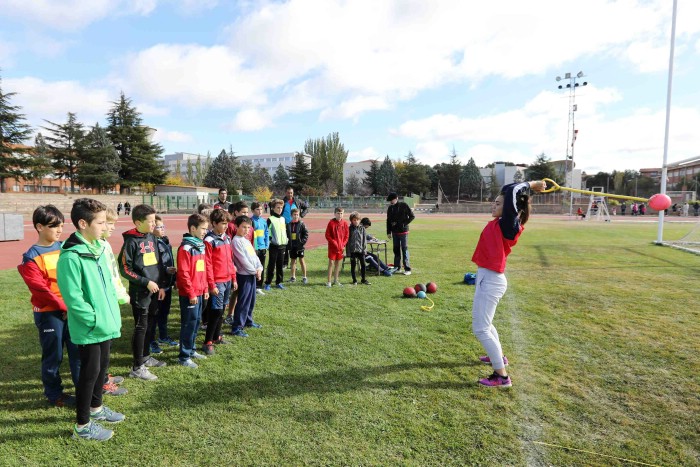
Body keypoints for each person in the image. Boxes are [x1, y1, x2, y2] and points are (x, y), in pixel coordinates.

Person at [57, 198, 125, 441]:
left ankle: (96, 409)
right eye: (100, 222)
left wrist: (110, 316)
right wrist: (95, 319)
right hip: (91, 327)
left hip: (105, 323)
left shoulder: (98, 248)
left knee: (101, 369)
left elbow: (107, 288)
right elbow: (74, 299)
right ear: (83, 223)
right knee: (89, 373)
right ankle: (82, 426)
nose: (105, 226)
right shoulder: (71, 257)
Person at [471, 181, 546, 388]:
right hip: (487, 277)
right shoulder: (502, 222)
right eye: (493, 202)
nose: (492, 206)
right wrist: (529, 188)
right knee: (486, 324)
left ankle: (501, 377)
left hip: (492, 280)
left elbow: (513, 191)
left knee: (480, 329)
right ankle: (499, 358)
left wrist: (530, 184)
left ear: (509, 208)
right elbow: (509, 189)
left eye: (497, 203)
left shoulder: (508, 224)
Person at [18, 205, 80, 408]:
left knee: (77, 351)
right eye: (54, 226)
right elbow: (41, 290)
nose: (60, 230)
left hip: (70, 309)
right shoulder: (31, 256)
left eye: (61, 226)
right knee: (54, 356)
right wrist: (64, 307)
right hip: (49, 313)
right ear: (39, 227)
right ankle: (55, 395)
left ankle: (84, 389)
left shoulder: (64, 247)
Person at [118, 204, 166, 381]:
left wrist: (160, 285)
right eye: (151, 221)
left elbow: (157, 264)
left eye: (155, 221)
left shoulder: (151, 238)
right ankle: (137, 367)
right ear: (138, 222)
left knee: (151, 324)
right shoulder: (130, 242)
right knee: (141, 326)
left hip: (155, 290)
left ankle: (146, 356)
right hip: (141, 292)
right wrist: (145, 282)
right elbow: (125, 268)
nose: (154, 224)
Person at [99, 208, 129, 397]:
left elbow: (113, 274)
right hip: (103, 303)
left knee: (108, 345)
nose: (113, 228)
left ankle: (103, 377)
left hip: (111, 300)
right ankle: (101, 383)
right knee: (101, 347)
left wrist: (120, 293)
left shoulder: (105, 244)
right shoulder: (97, 247)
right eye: (109, 224)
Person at [176, 214, 210, 368]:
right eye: (203, 229)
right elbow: (183, 274)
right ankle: (184, 356)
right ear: (193, 228)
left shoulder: (200, 246)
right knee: (189, 324)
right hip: (190, 294)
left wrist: (205, 289)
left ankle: (192, 349)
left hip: (200, 292)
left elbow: (202, 272)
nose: (205, 231)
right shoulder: (186, 248)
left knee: (196, 322)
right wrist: (191, 293)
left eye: (206, 228)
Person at [204, 209, 237, 354]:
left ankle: (217, 336)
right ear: (214, 223)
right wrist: (211, 284)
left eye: (227, 223)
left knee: (222, 310)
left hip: (228, 279)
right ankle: (208, 341)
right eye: (223, 224)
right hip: (217, 282)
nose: (225, 226)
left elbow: (230, 260)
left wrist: (233, 277)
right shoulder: (209, 240)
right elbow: (208, 264)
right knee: (215, 311)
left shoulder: (227, 238)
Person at [230, 215, 264, 338]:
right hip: (244, 276)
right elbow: (242, 260)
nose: (246, 230)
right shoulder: (236, 241)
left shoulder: (246, 240)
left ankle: (248, 321)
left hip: (252, 274)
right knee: (243, 302)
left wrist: (259, 268)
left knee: (251, 300)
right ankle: (237, 327)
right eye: (243, 227)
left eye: (248, 227)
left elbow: (254, 257)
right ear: (236, 227)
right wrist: (254, 271)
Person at [151, 215, 178, 352]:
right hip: (158, 286)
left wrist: (173, 279)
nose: (162, 229)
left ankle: (163, 336)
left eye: (163, 226)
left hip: (167, 284)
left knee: (164, 313)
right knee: (154, 314)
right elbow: (155, 267)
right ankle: (151, 341)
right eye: (159, 226)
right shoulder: (152, 243)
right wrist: (161, 284)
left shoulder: (164, 241)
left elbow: (168, 261)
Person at [386, 193, 415, 275]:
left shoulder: (404, 205)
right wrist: (388, 232)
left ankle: (407, 269)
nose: (391, 202)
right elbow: (388, 221)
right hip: (394, 232)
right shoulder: (390, 208)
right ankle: (397, 267)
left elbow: (412, 216)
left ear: (396, 198)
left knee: (404, 249)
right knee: (396, 249)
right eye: (390, 201)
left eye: (392, 200)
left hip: (403, 232)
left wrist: (404, 224)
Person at [281, 186, 309, 267]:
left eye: (291, 193)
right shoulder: (282, 202)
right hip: (285, 225)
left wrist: (301, 214)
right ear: (286, 193)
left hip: (296, 225)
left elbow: (306, 208)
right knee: (286, 243)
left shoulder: (297, 201)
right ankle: (285, 263)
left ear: (293, 193)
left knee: (295, 242)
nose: (290, 194)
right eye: (288, 192)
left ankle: (294, 263)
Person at [264, 199, 288, 290]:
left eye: (281, 208)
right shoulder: (270, 219)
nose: (280, 209)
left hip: (283, 246)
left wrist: (286, 241)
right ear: (273, 208)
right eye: (278, 207)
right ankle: (268, 283)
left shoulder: (283, 219)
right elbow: (268, 232)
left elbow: (284, 231)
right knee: (271, 265)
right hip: (274, 246)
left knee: (280, 265)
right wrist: (270, 241)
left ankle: (279, 282)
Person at [325, 207, 349, 287]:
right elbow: (327, 235)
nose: (340, 215)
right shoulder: (331, 223)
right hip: (332, 248)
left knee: (338, 263)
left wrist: (343, 244)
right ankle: (329, 281)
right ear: (335, 214)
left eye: (341, 213)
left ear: (343, 214)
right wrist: (334, 242)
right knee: (331, 263)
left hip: (341, 248)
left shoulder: (345, 223)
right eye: (338, 213)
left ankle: (336, 280)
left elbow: (346, 235)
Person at [250, 202, 269, 296]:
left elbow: (266, 233)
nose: (260, 211)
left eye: (261, 209)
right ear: (253, 211)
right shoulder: (250, 221)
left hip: (262, 248)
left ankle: (259, 286)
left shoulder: (264, 221)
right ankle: (252, 286)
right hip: (254, 248)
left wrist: (266, 245)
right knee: (253, 268)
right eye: (257, 209)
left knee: (261, 267)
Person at [347, 212, 370, 286]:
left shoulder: (362, 228)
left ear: (359, 220)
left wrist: (364, 250)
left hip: (361, 250)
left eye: (357, 220)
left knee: (363, 265)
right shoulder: (349, 229)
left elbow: (364, 240)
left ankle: (363, 279)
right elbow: (347, 241)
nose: (356, 221)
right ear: (351, 221)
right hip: (353, 250)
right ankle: (354, 280)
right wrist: (348, 252)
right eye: (354, 220)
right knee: (353, 265)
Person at [286, 208, 309, 284]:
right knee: (293, 261)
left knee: (302, 261)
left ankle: (304, 277)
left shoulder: (302, 224)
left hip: (299, 246)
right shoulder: (288, 224)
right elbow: (286, 234)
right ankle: (293, 277)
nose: (296, 216)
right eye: (294, 215)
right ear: (291, 215)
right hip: (292, 246)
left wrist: (302, 242)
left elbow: (306, 234)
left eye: (297, 215)